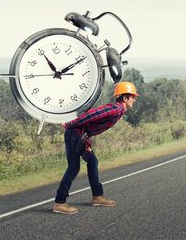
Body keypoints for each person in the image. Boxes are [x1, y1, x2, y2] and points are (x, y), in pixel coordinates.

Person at [53, 81, 139, 215]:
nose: (134, 99)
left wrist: (86, 143)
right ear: (125, 97)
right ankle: (59, 202)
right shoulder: (116, 109)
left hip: (81, 136)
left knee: (93, 162)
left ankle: (97, 197)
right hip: (74, 134)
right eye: (133, 97)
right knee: (73, 168)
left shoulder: (119, 110)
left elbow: (91, 126)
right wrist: (70, 124)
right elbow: (92, 115)